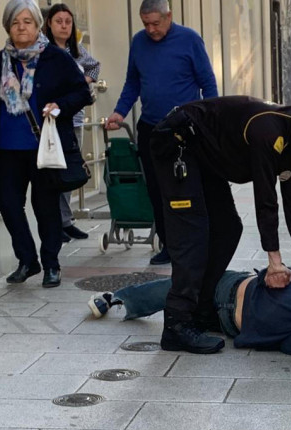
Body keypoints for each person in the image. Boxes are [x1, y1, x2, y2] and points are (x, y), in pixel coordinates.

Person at [148, 96, 291, 354]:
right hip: (179, 145)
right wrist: (274, 261)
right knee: (193, 235)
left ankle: (201, 310)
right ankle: (177, 323)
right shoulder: (268, 128)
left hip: (208, 161)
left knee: (229, 229)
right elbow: (266, 199)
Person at [0, 0, 92, 288]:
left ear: (38, 25)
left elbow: (83, 92)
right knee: (9, 206)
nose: (21, 27)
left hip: (44, 148)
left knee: (46, 207)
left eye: (27, 21)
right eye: (15, 22)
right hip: (5, 150)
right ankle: (28, 260)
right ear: (8, 27)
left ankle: (51, 263)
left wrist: (59, 106)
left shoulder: (55, 57)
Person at [104, 0, 217, 265]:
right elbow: (132, 82)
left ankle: (196, 242)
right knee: (156, 188)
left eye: (156, 23)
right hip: (151, 127)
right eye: (146, 24)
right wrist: (120, 112)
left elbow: (207, 82)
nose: (151, 30)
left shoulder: (189, 39)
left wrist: (212, 117)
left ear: (169, 16)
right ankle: (169, 244)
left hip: (183, 128)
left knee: (186, 187)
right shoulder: (139, 42)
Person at [88, 263, 291, 356]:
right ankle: (116, 297)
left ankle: (116, 298)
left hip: (228, 315)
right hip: (231, 296)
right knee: (177, 291)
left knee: (179, 296)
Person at [43, 3, 101, 244]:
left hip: (73, 118)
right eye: (59, 21)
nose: (64, 26)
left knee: (69, 172)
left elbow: (95, 67)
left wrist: (81, 81)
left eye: (68, 21)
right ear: (49, 24)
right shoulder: (42, 51)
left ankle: (66, 220)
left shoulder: (75, 50)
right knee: (50, 172)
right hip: (48, 121)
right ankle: (54, 223)